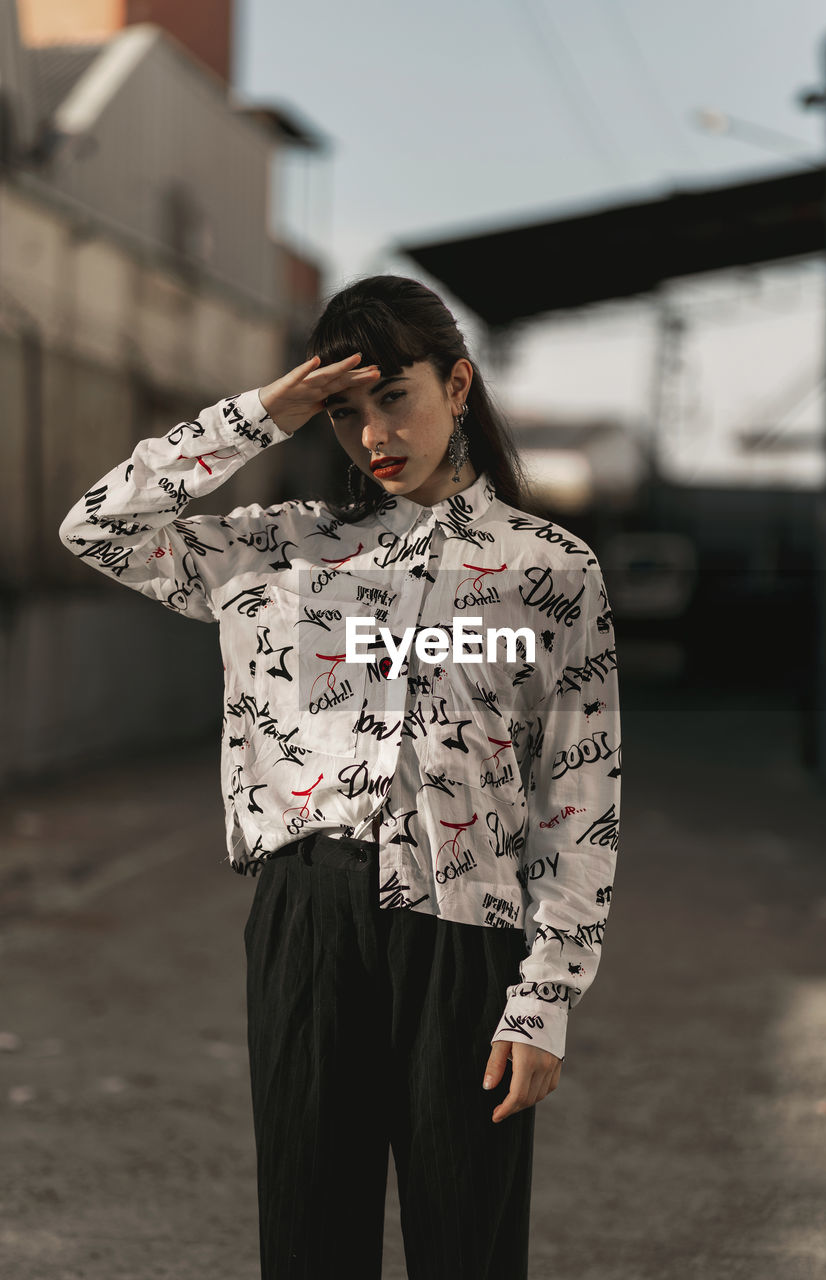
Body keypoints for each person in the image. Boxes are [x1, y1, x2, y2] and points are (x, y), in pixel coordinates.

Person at [59, 273, 622, 1280]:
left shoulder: (552, 569)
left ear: (457, 387)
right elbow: (97, 524)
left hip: (464, 930)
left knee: (468, 1239)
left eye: (392, 396)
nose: (371, 435)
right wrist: (264, 413)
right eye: (344, 412)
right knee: (310, 1234)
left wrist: (545, 996)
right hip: (306, 917)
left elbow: (577, 795)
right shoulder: (280, 552)